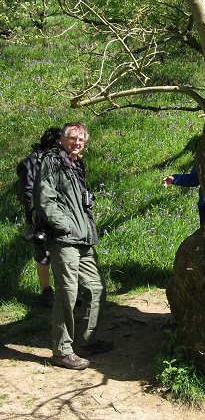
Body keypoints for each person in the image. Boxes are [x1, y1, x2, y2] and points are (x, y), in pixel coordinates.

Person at [32, 122, 113, 370]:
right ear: (62, 140)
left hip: (84, 239)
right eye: (73, 138)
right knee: (68, 293)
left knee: (96, 288)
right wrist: (66, 225)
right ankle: (62, 351)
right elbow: (45, 200)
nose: (77, 142)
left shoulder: (77, 165)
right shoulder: (51, 162)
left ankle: (87, 340)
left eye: (81, 139)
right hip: (65, 239)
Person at [16, 127, 62, 307]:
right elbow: (27, 194)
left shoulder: (60, 159)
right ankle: (46, 292)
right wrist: (38, 218)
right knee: (44, 255)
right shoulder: (31, 163)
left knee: (63, 253)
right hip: (40, 217)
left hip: (60, 214)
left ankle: (66, 291)